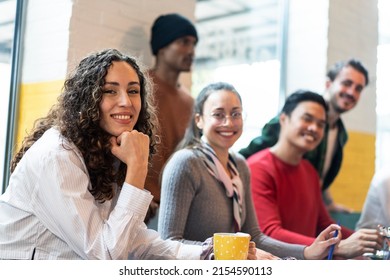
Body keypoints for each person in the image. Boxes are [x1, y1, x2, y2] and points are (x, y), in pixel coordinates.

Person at [0, 48, 226, 260]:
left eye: (133, 91)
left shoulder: (106, 149)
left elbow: (134, 241)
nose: (126, 102)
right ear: (88, 99)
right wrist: (137, 169)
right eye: (110, 91)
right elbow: (105, 254)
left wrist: (206, 254)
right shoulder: (58, 155)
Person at [158, 82, 342, 260]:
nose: (228, 122)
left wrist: (307, 251)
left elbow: (254, 236)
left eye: (235, 114)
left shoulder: (239, 165)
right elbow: (168, 245)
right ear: (199, 120)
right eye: (218, 114)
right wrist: (236, 252)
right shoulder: (185, 163)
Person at [247, 90, 382, 259]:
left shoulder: (309, 170)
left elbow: (323, 224)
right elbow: (269, 234)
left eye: (320, 124)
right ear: (283, 119)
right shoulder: (257, 168)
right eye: (307, 119)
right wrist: (336, 247)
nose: (314, 128)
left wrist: (367, 239)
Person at [240, 59, 369, 213]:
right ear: (329, 84)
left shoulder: (341, 135)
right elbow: (250, 158)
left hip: (303, 210)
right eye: (347, 83)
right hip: (273, 208)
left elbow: (317, 177)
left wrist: (329, 204)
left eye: (358, 88)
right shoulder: (292, 121)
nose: (351, 92)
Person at [145, 13, 198, 223]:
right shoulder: (139, 87)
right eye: (184, 42)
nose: (192, 51)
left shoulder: (191, 102)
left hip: (176, 205)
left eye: (194, 44)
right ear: (162, 46)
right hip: (141, 204)